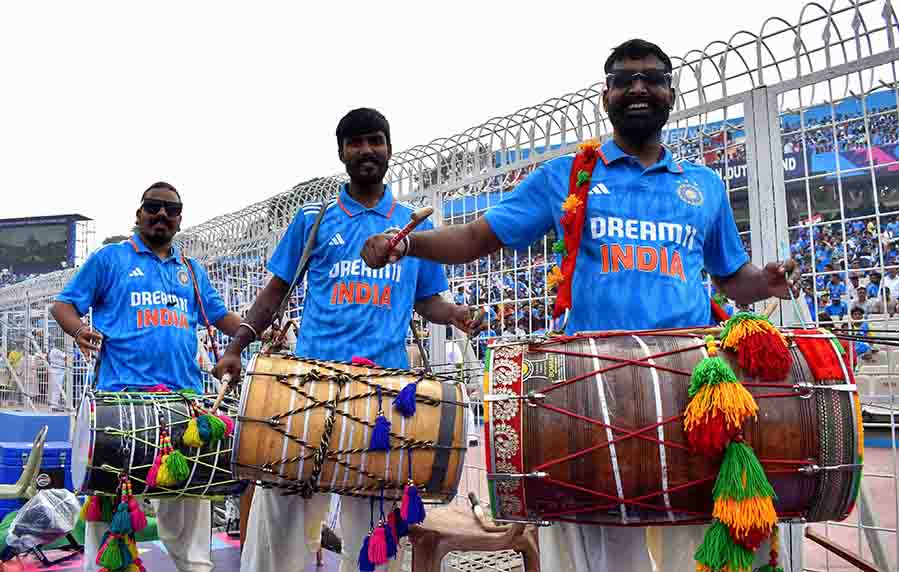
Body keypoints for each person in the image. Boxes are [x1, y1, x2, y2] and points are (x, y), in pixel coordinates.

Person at [361, 39, 796, 572]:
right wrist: (407, 244)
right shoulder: (568, 176)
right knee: (599, 547)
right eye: (625, 79)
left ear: (670, 94)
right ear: (606, 95)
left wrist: (766, 281)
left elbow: (733, 277)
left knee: (700, 539)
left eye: (652, 78)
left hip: (691, 385)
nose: (639, 87)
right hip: (593, 388)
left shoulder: (703, 186)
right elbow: (478, 237)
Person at [212, 108, 482, 572]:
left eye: (375, 140)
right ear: (341, 152)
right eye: (355, 142)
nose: (366, 150)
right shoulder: (313, 220)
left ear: (389, 149)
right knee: (284, 520)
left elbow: (428, 300)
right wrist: (237, 346)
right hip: (310, 386)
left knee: (374, 527)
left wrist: (455, 313)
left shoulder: (410, 226)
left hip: (385, 392)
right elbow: (276, 291)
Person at [51, 181, 242, 572]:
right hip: (121, 404)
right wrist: (79, 330)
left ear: (179, 219)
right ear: (138, 213)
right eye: (153, 207)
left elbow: (222, 317)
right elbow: (64, 305)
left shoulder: (191, 269)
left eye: (170, 210)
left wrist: (254, 329)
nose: (161, 215)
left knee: (188, 516)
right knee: (107, 514)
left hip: (183, 405)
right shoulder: (110, 259)